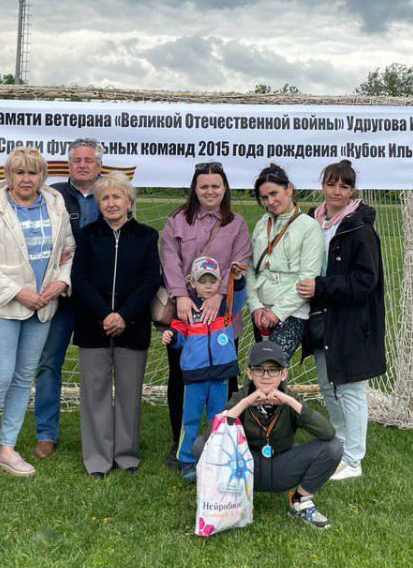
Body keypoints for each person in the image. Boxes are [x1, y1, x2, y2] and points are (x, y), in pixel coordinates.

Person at [0, 147, 75, 486]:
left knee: (24, 376)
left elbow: (68, 251)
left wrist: (60, 282)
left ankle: (6, 448)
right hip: (4, 305)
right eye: (19, 173)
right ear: (8, 176)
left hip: (43, 305)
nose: (26, 179)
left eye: (33, 173)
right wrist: (18, 291)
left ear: (42, 176)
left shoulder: (56, 205)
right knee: (0, 374)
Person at [297, 159, 386, 481]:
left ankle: (354, 458)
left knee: (349, 388)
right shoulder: (310, 221)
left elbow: (366, 280)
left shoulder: (360, 228)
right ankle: (340, 444)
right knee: (327, 385)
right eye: (332, 184)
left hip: (351, 320)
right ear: (322, 184)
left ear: (352, 191)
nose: (337, 191)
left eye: (344, 186)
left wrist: (322, 286)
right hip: (320, 318)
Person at [160, 161, 251, 469]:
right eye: (204, 186)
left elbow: (240, 261)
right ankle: (180, 444)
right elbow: (170, 260)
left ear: (224, 189)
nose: (209, 191)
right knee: (181, 377)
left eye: (215, 185)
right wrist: (181, 296)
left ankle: (224, 441)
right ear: (194, 189)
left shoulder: (236, 223)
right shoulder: (177, 221)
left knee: (224, 378)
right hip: (187, 315)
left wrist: (220, 298)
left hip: (222, 318)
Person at [194, 341, 342, 529]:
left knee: (334, 447)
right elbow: (210, 438)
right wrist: (245, 403)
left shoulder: (290, 400)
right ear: (249, 372)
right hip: (246, 471)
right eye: (259, 370)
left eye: (272, 370)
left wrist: (289, 401)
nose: (265, 376)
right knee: (199, 445)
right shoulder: (241, 397)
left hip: (282, 467)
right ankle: (231, 499)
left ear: (283, 374)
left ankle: (300, 501)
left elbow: (328, 432)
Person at [71, 172, 162, 478]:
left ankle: (126, 454)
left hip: (132, 325)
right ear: (98, 203)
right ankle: (97, 457)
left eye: (117, 197)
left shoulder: (147, 236)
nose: (111, 203)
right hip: (92, 325)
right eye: (105, 198)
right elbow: (79, 279)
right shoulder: (85, 235)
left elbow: (152, 280)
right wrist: (104, 314)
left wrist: (123, 314)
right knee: (94, 392)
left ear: (129, 201)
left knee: (129, 393)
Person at [33, 138, 102, 459]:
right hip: (58, 294)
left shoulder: (112, 193)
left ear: (99, 165)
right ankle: (46, 432)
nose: (82, 165)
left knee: (99, 366)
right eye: (76, 160)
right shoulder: (52, 195)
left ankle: (100, 431)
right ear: (68, 164)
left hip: (99, 296)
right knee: (49, 363)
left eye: (88, 160)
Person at [161, 257, 246, 481]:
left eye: (213, 281)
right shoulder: (187, 308)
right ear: (192, 282)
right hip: (195, 376)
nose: (208, 286)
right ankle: (187, 460)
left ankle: (215, 457)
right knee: (189, 419)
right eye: (203, 281)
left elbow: (239, 298)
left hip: (220, 374)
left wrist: (236, 280)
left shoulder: (225, 307)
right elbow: (179, 336)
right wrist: (171, 337)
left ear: (219, 282)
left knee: (217, 419)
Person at [245, 164, 323, 359]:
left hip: (291, 312)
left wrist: (277, 313)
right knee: (266, 374)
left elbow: (307, 278)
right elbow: (251, 269)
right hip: (261, 311)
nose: (270, 201)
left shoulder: (309, 226)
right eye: (264, 197)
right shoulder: (263, 223)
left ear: (289, 189)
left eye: (274, 193)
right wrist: (255, 306)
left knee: (268, 368)